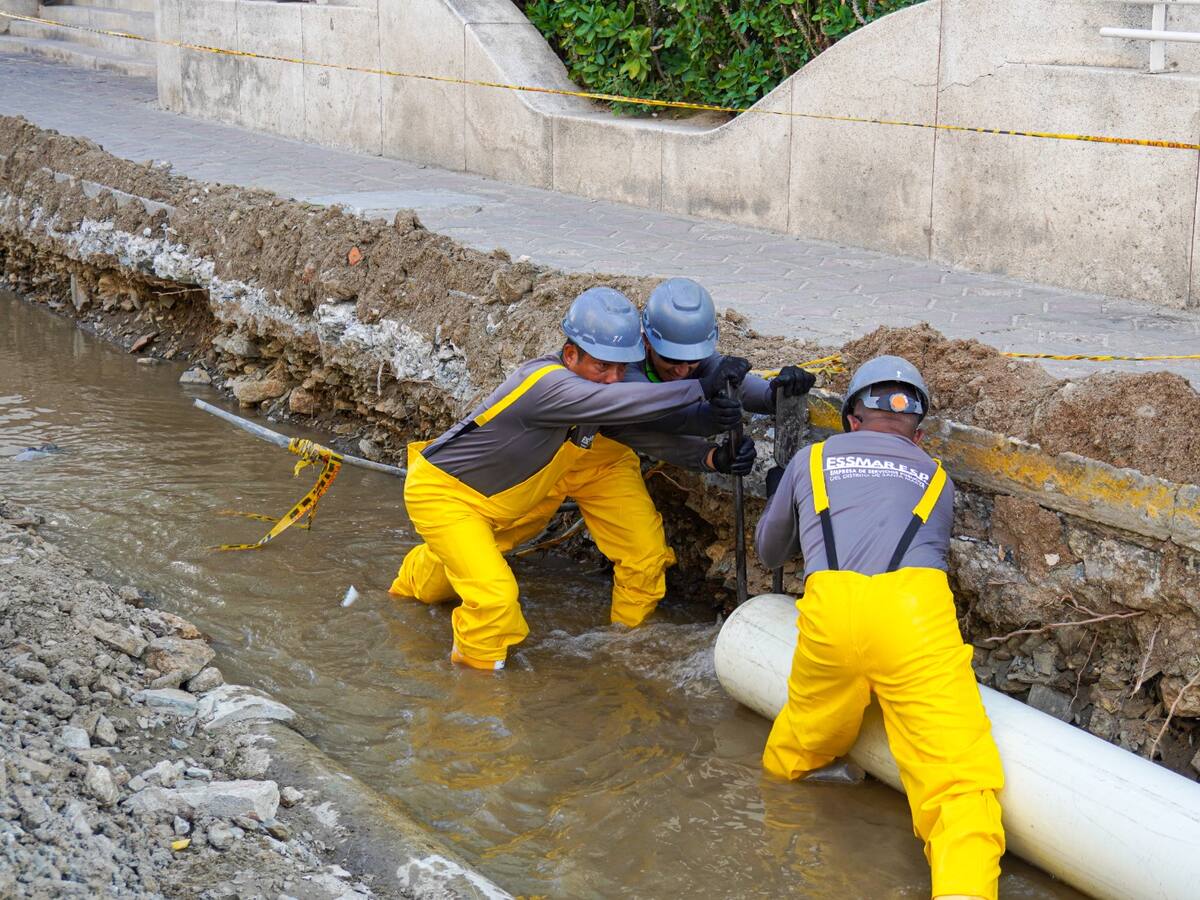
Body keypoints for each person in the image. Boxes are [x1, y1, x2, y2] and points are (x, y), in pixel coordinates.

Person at [389, 286, 750, 671]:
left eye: (619, 368)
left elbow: (634, 430)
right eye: (602, 366)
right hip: (448, 495)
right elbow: (617, 402)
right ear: (570, 352)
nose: (613, 378)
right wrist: (699, 388)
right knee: (491, 598)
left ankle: (623, 653)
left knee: (645, 558)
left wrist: (711, 456)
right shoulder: (547, 384)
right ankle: (475, 700)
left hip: (529, 485)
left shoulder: (600, 389)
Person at [754, 355, 1005, 900]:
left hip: (830, 613)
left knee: (802, 740)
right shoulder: (938, 477)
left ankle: (774, 834)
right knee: (958, 784)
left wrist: (784, 492)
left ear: (849, 418)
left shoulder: (811, 459)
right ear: (918, 428)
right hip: (913, 617)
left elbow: (770, 551)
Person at [611, 277, 816, 476]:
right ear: (646, 340)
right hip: (595, 447)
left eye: (692, 360)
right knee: (629, 421)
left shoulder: (697, 356)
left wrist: (775, 393)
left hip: (620, 459)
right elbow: (657, 414)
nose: (682, 370)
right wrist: (708, 417)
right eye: (670, 359)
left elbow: (732, 382)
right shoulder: (620, 364)